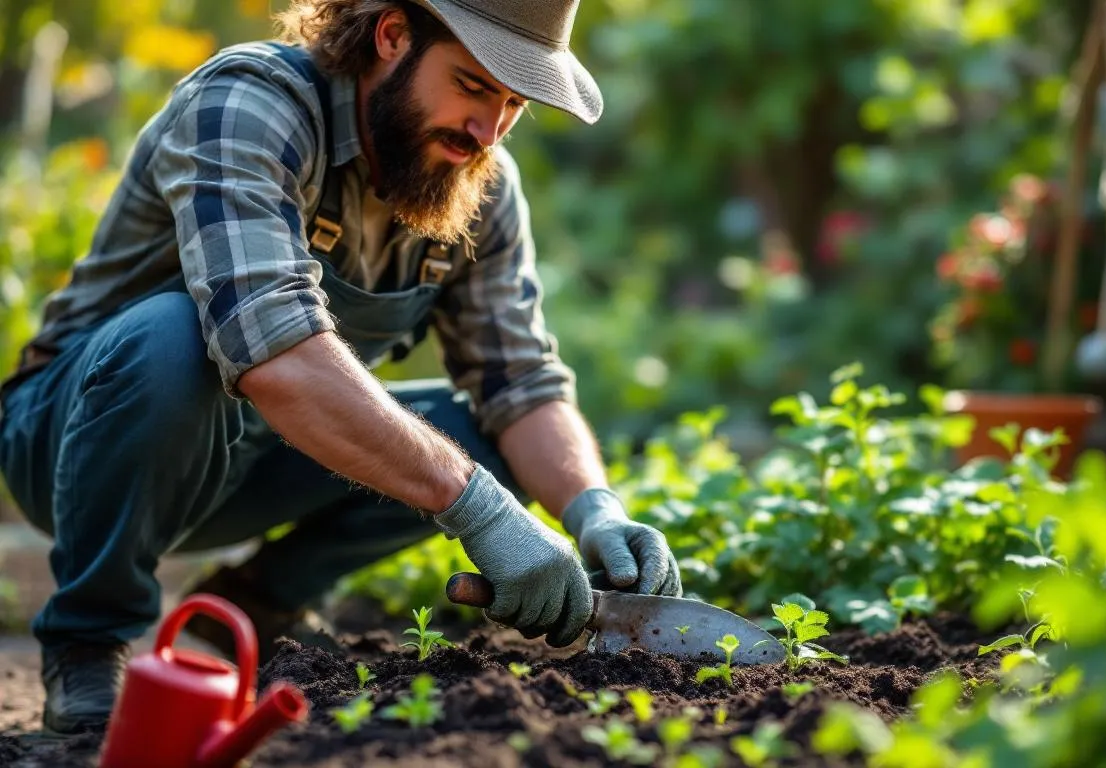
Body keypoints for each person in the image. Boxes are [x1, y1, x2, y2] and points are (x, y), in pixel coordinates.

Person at [0, 0, 682, 736]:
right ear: (393, 35)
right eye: (474, 85)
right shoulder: (248, 103)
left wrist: (592, 508)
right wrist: (480, 512)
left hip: (253, 457)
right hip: (74, 446)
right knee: (176, 335)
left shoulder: (478, 182)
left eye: (513, 103)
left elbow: (521, 381)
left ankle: (259, 603)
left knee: (485, 437)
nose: (488, 131)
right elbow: (274, 350)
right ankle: (89, 639)